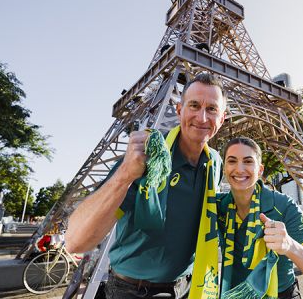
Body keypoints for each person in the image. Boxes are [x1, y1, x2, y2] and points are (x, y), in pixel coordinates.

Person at [65, 72, 227, 298]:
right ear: (179, 110)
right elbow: (75, 243)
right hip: (133, 290)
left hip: (189, 287)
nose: (201, 117)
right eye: (194, 105)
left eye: (212, 109)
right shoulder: (146, 157)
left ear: (222, 117)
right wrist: (124, 174)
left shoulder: (216, 164)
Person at [217, 137, 303, 298]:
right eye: (232, 161)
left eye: (248, 161)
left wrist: (289, 245)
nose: (239, 169)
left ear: (260, 170)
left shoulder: (283, 206)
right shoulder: (217, 206)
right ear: (224, 168)